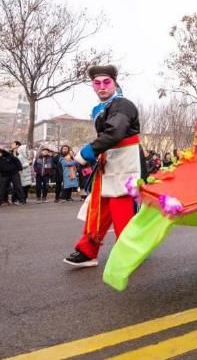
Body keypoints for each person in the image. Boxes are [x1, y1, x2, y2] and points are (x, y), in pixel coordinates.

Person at [63, 64, 143, 268]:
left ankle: (128, 253)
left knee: (122, 209)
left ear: (115, 83)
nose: (101, 87)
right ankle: (88, 251)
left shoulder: (123, 105)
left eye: (106, 82)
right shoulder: (99, 109)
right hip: (109, 163)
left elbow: (115, 133)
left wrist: (87, 152)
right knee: (98, 208)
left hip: (125, 165)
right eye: (97, 83)